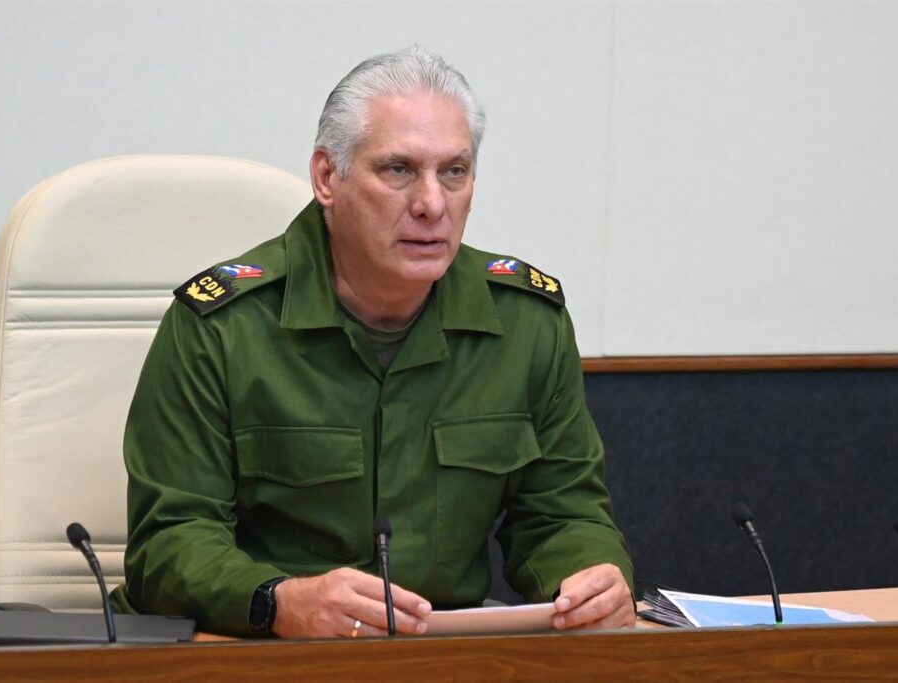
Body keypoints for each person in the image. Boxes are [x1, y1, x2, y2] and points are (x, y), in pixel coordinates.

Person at [110, 46, 634, 638]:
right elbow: (170, 542)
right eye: (399, 170)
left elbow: (563, 514)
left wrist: (590, 578)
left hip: (442, 653)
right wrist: (279, 601)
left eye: (454, 172)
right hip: (261, 650)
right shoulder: (222, 328)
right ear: (326, 178)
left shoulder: (526, 324)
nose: (432, 204)